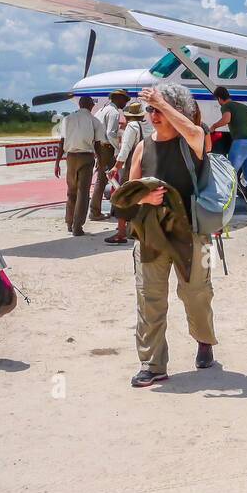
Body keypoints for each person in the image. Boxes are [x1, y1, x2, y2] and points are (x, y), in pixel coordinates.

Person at [126, 83, 217, 388]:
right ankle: (152, 364)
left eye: (159, 109)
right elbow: (128, 191)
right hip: (151, 234)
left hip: (190, 233)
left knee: (196, 294)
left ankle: (204, 340)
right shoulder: (143, 146)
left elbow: (195, 135)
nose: (153, 115)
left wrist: (163, 103)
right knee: (149, 298)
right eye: (150, 109)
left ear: (175, 110)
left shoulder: (193, 139)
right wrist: (144, 199)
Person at [53, 96, 107, 236]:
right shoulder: (94, 121)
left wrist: (57, 162)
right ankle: (78, 226)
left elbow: (62, 141)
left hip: (70, 158)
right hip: (86, 157)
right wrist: (101, 163)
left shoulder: (67, 119)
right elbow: (97, 145)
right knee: (83, 193)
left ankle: (69, 222)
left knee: (71, 191)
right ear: (90, 105)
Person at [210, 85, 247, 212]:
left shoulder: (226, 106)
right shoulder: (244, 107)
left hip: (240, 143)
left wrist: (214, 126)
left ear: (219, 98)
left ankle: (227, 206)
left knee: (230, 174)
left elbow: (226, 119)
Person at [106, 98, 147, 245]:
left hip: (133, 166)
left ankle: (121, 233)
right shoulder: (148, 126)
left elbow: (125, 150)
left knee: (122, 197)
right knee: (143, 198)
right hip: (148, 166)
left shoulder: (132, 127)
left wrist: (116, 167)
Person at [90, 89, 129, 220]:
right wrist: (119, 149)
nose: (125, 103)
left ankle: (105, 209)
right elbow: (111, 133)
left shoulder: (102, 110)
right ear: (118, 98)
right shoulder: (113, 112)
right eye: (124, 100)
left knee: (105, 179)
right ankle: (97, 211)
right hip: (107, 148)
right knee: (110, 179)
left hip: (99, 147)